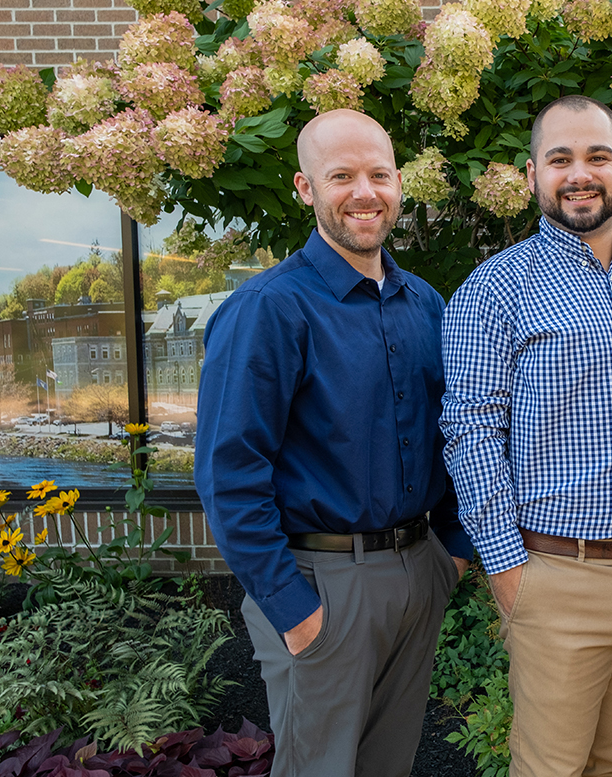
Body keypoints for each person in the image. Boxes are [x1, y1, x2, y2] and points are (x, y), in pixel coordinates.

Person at [195, 109, 473, 777]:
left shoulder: (426, 305)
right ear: (306, 187)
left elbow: (455, 434)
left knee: (388, 766)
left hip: (418, 571)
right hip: (321, 583)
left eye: (379, 174)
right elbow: (229, 475)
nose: (364, 192)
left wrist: (453, 554)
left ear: (398, 183)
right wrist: (293, 610)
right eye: (342, 176)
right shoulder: (269, 309)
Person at [439, 95, 612, 777]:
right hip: (554, 576)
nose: (579, 174)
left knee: (608, 762)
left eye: (597, 156)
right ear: (533, 176)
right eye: (560, 159)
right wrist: (508, 572)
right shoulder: (496, 289)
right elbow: (470, 431)